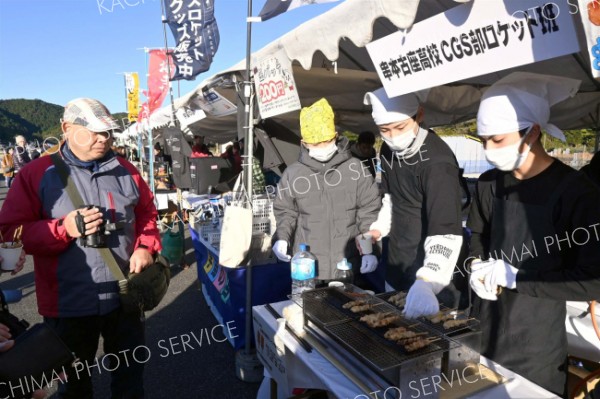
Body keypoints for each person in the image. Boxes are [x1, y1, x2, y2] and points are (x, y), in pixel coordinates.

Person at [0, 97, 162, 399]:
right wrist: (65, 228)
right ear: (66, 128)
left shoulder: (127, 169)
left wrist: (145, 247)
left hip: (125, 296)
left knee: (130, 378)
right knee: (73, 385)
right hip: (67, 303)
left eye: (108, 132)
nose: (103, 138)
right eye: (93, 131)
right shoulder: (35, 174)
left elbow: (147, 214)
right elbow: (11, 232)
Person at [466, 72, 600, 396]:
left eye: (497, 139)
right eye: (483, 140)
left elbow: (592, 279)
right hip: (484, 329)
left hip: (536, 344)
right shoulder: (488, 183)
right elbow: (477, 235)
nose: (488, 149)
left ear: (533, 132)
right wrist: (474, 265)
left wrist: (515, 277)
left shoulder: (576, 192)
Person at [363, 88, 464, 319]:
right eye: (384, 130)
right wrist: (379, 228)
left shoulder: (438, 163)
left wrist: (428, 279)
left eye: (400, 127)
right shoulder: (387, 150)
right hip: (398, 260)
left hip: (432, 270)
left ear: (419, 115)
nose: (392, 136)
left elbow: (446, 228)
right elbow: (391, 199)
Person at [272, 98, 381, 282]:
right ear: (304, 143)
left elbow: (369, 210)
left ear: (336, 136)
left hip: (347, 265)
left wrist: (370, 250)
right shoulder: (293, 173)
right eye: (315, 144)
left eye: (326, 141)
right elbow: (286, 211)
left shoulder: (355, 168)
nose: (322, 148)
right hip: (307, 266)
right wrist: (282, 237)